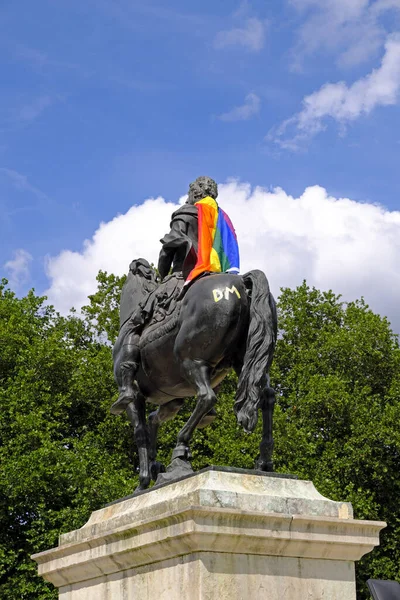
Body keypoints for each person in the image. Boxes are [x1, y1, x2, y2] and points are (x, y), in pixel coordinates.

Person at [158, 176, 240, 284]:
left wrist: (162, 274)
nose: (187, 199)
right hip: (219, 274)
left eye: (189, 194)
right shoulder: (223, 218)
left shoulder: (186, 212)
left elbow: (168, 248)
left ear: (196, 193)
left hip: (185, 275)